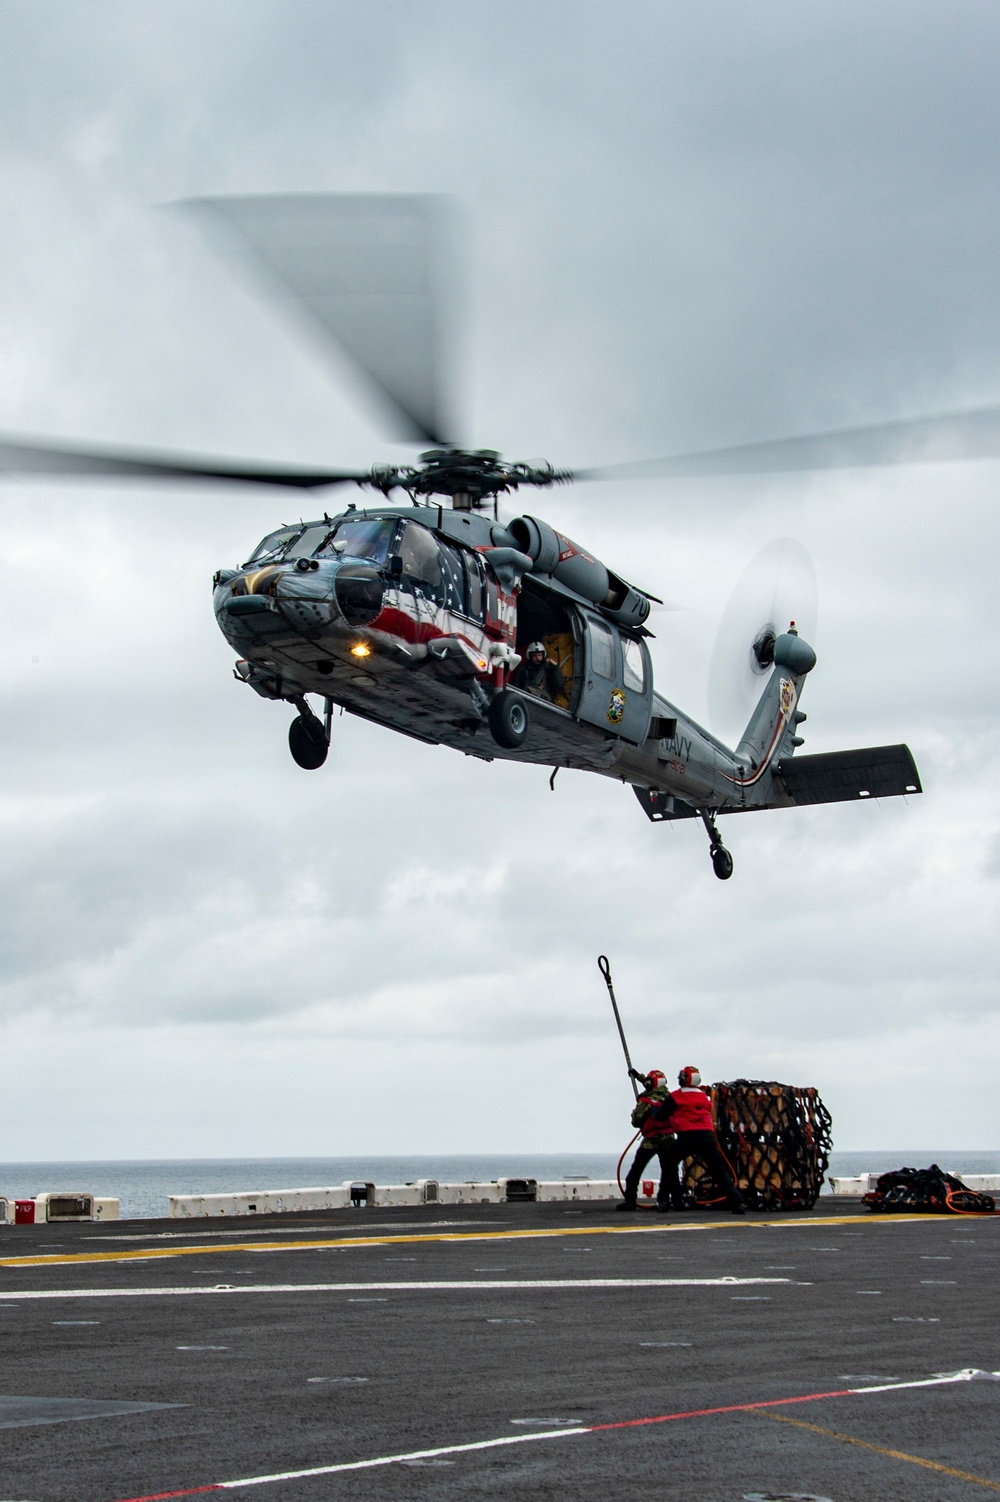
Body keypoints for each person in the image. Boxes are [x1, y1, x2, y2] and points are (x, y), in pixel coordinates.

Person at [647, 1067, 747, 1215]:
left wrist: (653, 1112)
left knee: (669, 1165)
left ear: (682, 1080)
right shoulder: (703, 1096)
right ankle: (737, 1202)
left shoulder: (675, 1097)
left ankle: (663, 1201)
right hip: (707, 1137)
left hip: (686, 1137)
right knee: (718, 1170)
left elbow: (661, 1116)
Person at [617, 1069, 680, 1213]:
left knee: (635, 1171)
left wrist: (638, 1107)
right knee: (670, 1172)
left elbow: (636, 1121)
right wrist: (637, 1075)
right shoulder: (669, 1097)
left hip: (650, 1141)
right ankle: (676, 1201)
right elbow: (649, 1084)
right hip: (669, 1138)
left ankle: (630, 1201)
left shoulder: (646, 1101)